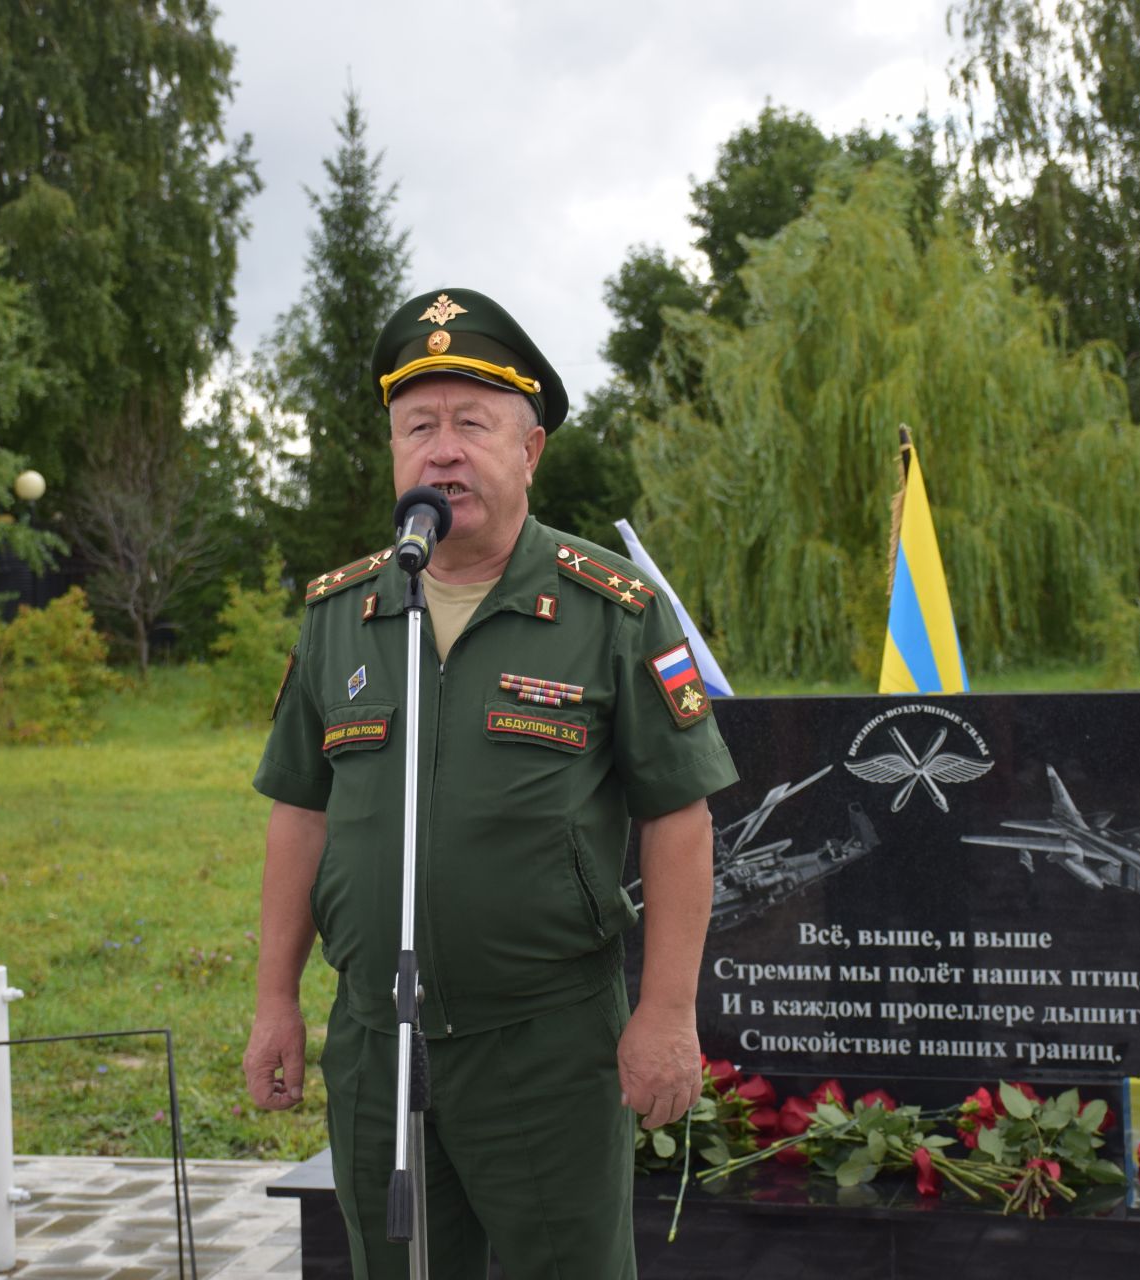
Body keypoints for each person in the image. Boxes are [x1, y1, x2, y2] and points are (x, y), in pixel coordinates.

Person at [241, 287, 738, 1277]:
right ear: (393, 450)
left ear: (531, 450)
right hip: (380, 1035)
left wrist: (669, 1013)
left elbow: (679, 816)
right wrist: (274, 998)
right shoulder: (346, 610)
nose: (443, 449)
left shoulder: (613, 608)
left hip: (544, 1042)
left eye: (473, 422)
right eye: (418, 425)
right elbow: (302, 812)